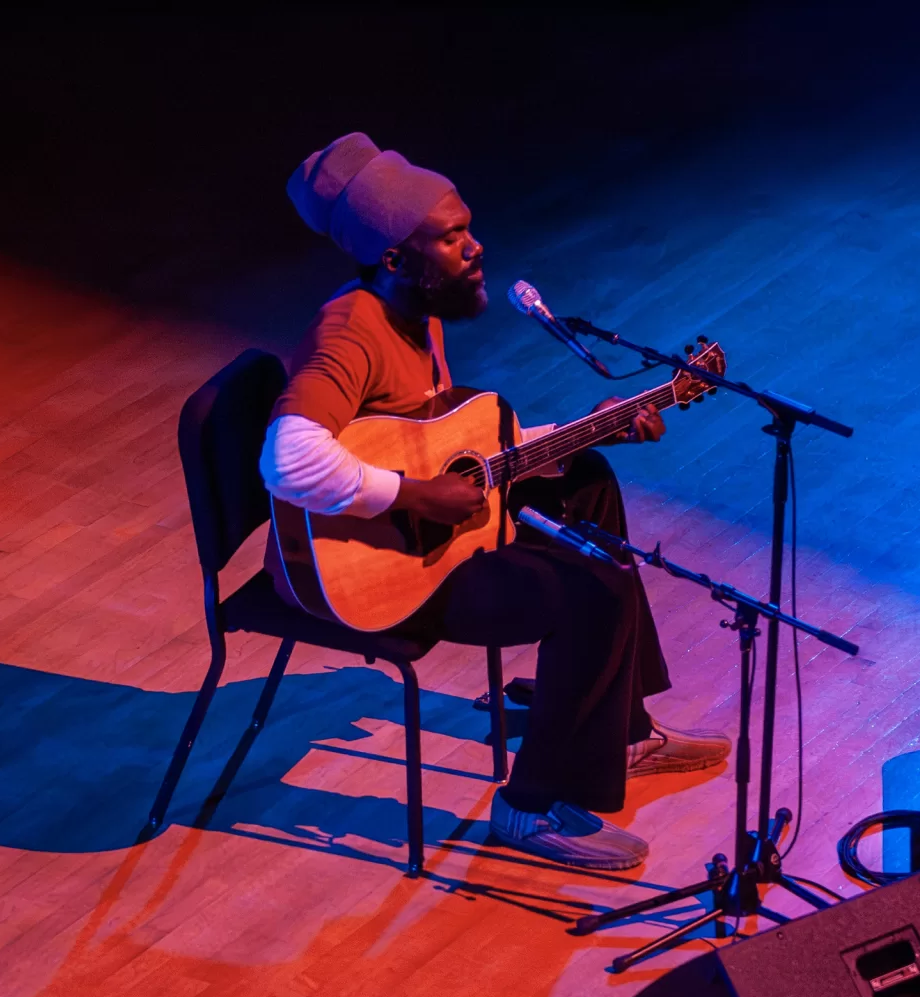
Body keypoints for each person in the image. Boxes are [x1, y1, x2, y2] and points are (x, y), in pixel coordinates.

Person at [261, 132, 726, 870]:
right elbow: (286, 460)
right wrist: (414, 494)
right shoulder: (350, 332)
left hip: (425, 541)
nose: (475, 248)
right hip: (383, 573)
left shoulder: (417, 312)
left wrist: (584, 430)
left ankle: (620, 733)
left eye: (467, 228)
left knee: (590, 478)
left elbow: (459, 442)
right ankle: (527, 805)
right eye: (451, 238)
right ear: (394, 257)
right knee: (592, 592)